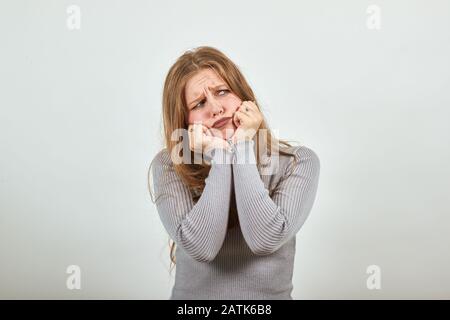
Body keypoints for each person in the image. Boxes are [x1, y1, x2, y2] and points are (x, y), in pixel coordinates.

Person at [148, 46, 320, 299]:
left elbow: (265, 239)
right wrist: (220, 153)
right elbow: (202, 247)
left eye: (223, 91)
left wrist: (241, 147)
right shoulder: (169, 165)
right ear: (185, 122)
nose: (215, 108)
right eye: (199, 103)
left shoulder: (298, 162)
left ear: (245, 97)